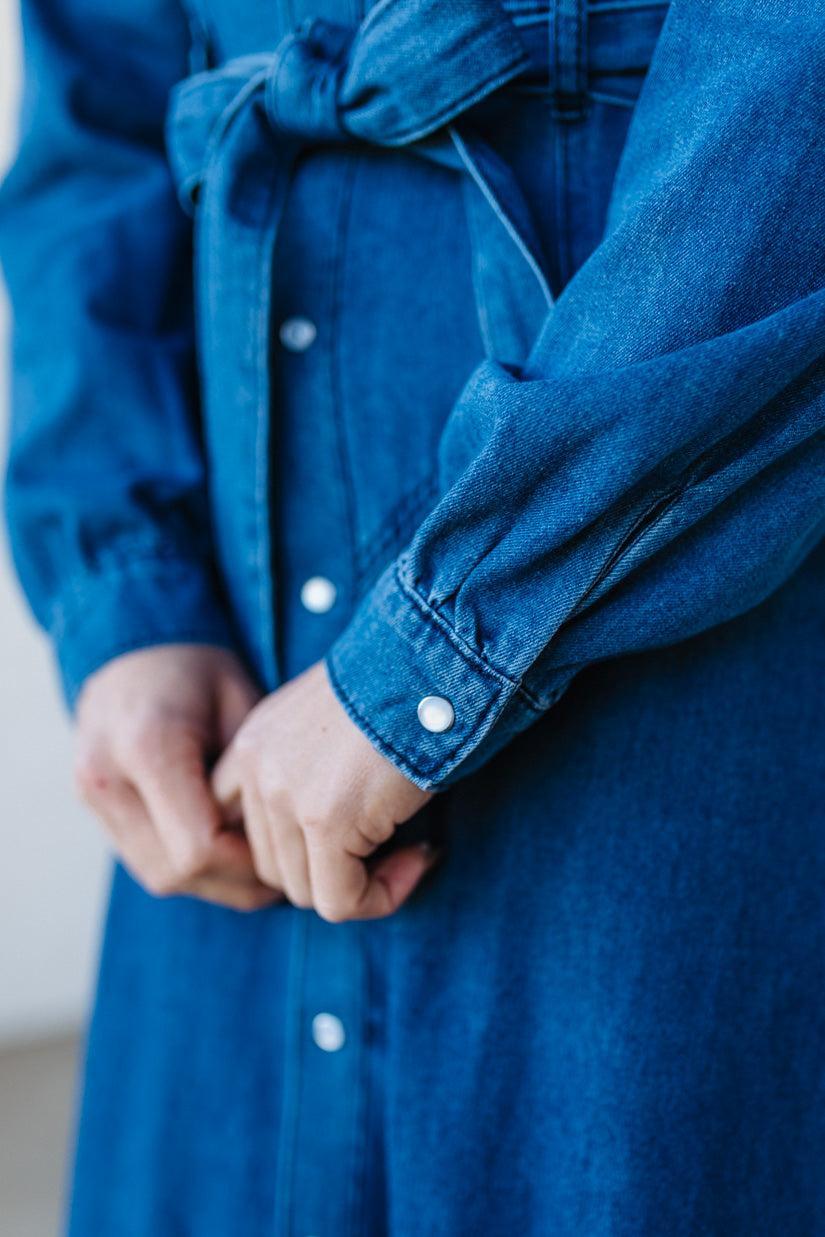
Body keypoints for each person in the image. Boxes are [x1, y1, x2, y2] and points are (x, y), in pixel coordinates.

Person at [1, 0, 824, 1232]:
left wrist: (436, 651)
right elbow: (100, 96)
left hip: (673, 687)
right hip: (233, 691)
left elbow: (792, 97)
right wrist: (127, 602)